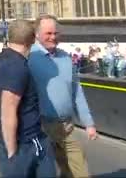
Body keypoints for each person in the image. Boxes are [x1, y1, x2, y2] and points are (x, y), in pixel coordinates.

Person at [29, 15, 97, 178]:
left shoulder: (66, 58)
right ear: (37, 34)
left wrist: (89, 123)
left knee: (78, 170)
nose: (53, 37)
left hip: (66, 126)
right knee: (43, 172)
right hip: (41, 126)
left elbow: (77, 92)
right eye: (48, 33)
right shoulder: (29, 58)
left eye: (56, 33)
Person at [0, 19, 55, 178]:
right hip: (24, 143)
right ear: (32, 39)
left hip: (30, 139)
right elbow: (8, 111)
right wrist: (13, 153)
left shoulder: (7, 59)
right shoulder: (16, 67)